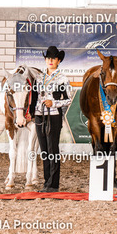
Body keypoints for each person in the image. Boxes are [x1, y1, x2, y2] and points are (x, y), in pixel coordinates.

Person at [35, 46, 72, 193]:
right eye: (48, 58)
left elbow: (68, 99)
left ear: (58, 60)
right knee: (44, 150)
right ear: (45, 60)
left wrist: (54, 103)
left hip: (54, 116)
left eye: (53, 58)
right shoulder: (39, 77)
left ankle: (53, 184)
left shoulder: (63, 79)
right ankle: (47, 182)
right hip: (39, 115)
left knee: (52, 149)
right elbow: (34, 97)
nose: (50, 60)